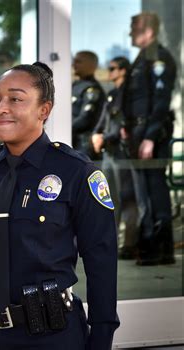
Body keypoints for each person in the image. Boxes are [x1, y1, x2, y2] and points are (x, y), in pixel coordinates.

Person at [0, 63, 119, 349]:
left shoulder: (77, 173)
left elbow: (102, 262)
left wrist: (101, 339)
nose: (0, 108)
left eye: (15, 99)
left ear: (44, 110)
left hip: (50, 337)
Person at [122, 12, 176, 266]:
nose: (131, 32)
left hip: (151, 136)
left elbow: (160, 103)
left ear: (149, 31)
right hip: (138, 135)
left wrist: (151, 138)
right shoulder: (142, 59)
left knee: (155, 193)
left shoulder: (158, 58)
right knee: (145, 194)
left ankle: (160, 249)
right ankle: (152, 246)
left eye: (135, 28)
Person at [91, 57, 139, 258]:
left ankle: (129, 245)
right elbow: (103, 120)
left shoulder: (129, 95)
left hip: (122, 153)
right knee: (108, 200)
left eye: (112, 69)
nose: (109, 72)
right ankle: (110, 242)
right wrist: (96, 134)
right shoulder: (111, 95)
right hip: (108, 154)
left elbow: (123, 125)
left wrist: (104, 137)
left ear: (123, 71)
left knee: (127, 198)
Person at [72, 51, 105, 160]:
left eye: (78, 62)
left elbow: (85, 118)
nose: (73, 64)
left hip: (83, 144)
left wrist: (65, 128)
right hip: (71, 140)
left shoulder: (92, 89)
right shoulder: (75, 85)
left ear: (91, 65)